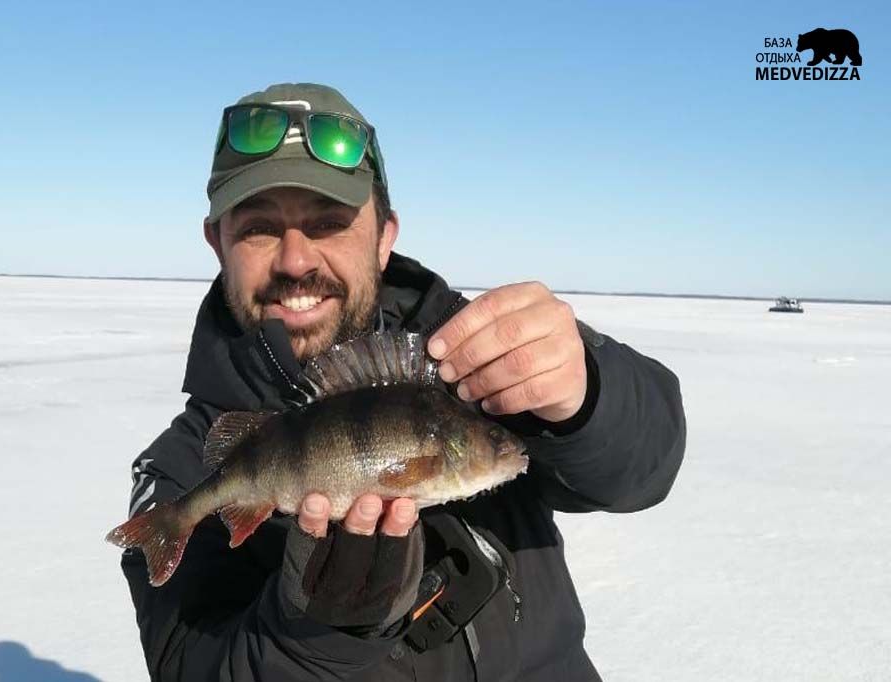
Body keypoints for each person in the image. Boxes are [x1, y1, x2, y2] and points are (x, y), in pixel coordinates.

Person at [118, 82, 686, 681]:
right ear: (218, 243)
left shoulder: (472, 364)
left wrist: (588, 396)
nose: (296, 260)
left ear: (384, 237)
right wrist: (314, 637)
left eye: (329, 223)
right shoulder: (181, 467)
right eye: (260, 228)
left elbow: (642, 470)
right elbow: (191, 667)